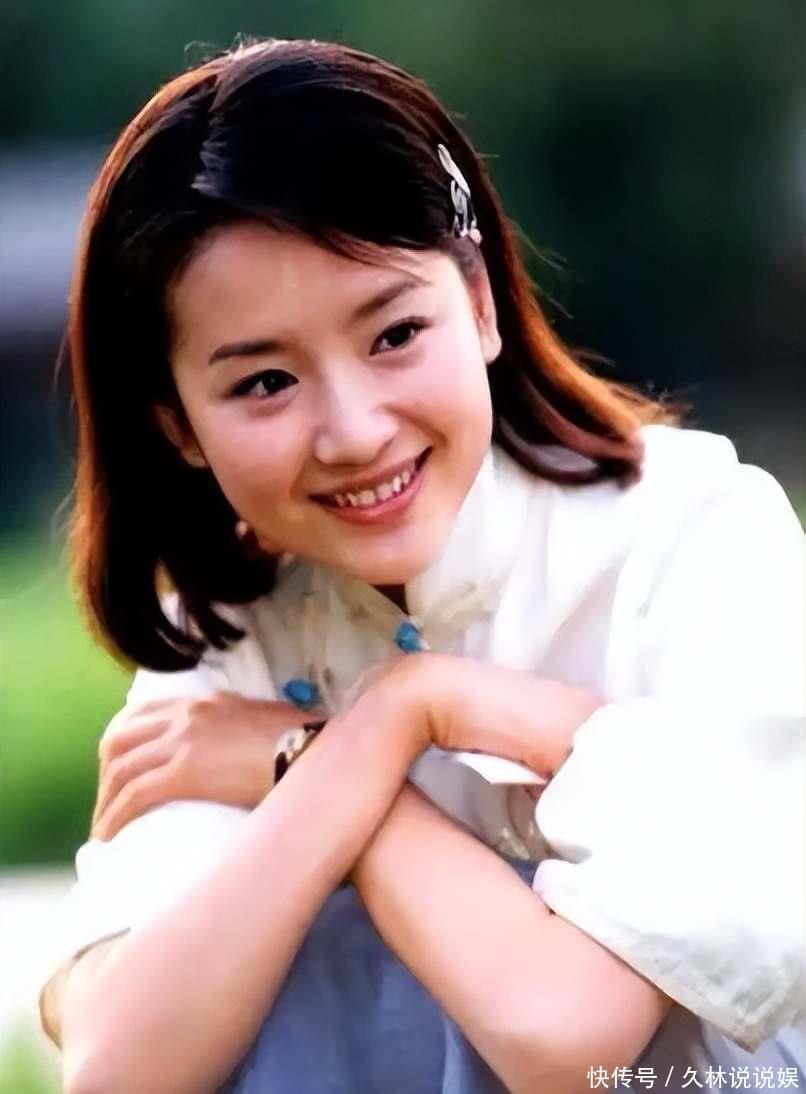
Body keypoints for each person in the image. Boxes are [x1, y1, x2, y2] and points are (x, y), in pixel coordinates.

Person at [38, 36, 804, 1094]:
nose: (353, 431)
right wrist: (358, 751)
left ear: (479, 304)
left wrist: (342, 742)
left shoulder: (696, 540)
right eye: (264, 383)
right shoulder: (230, 630)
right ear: (177, 425)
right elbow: (121, 1069)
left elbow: (571, 1044)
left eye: (393, 333)